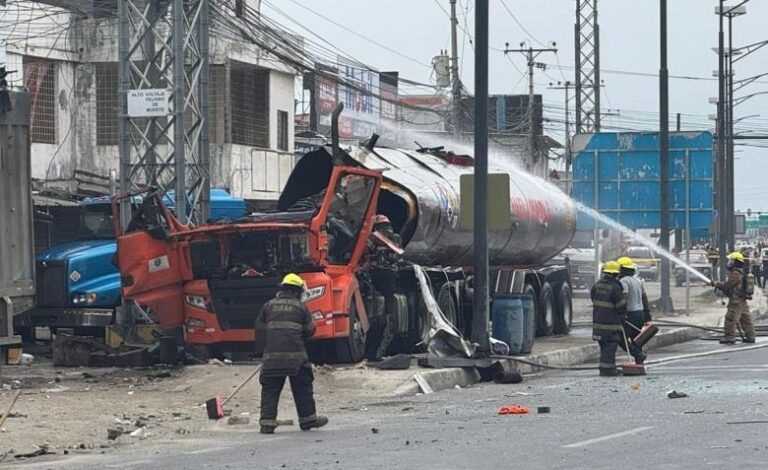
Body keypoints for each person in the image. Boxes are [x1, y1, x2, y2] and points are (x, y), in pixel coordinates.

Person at [256, 273, 328, 434]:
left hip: (271, 358)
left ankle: (267, 423)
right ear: (296, 291)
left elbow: (260, 331)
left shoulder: (268, 305)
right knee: (302, 387)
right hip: (296, 359)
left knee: (270, 389)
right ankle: (308, 420)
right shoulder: (301, 308)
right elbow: (310, 331)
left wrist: (265, 351)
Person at [591, 261, 628, 376]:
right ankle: (608, 370)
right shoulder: (615, 287)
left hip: (597, 324)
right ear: (615, 274)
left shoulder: (596, 285)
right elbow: (621, 306)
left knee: (604, 347)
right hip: (610, 324)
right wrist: (623, 316)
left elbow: (593, 299)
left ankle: (605, 368)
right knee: (610, 347)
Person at [712, 252, 756, 345]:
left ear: (735, 262)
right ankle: (751, 336)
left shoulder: (735, 273)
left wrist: (716, 284)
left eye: (731, 261)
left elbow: (727, 285)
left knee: (730, 319)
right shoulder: (741, 272)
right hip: (742, 300)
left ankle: (730, 338)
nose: (729, 262)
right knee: (746, 319)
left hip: (735, 301)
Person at [616, 256, 650, 364]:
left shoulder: (623, 281)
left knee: (620, 339)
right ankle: (639, 363)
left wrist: (621, 312)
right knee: (637, 340)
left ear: (622, 269)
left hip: (630, 314)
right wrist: (646, 312)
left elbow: (625, 297)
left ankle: (638, 354)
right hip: (640, 314)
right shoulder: (638, 280)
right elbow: (644, 297)